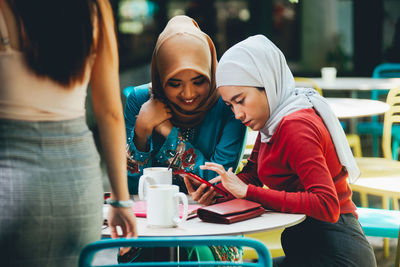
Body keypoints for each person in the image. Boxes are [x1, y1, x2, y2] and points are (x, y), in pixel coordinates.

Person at [199, 35, 377, 267]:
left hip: (337, 253)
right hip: (311, 247)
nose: (237, 114)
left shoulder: (295, 126)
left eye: (240, 100)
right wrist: (216, 188)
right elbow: (252, 175)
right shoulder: (272, 123)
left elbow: (326, 204)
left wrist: (248, 192)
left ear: (268, 83)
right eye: (230, 105)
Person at [0, 1, 137, 266]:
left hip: (10, 181)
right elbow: (110, 113)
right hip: (78, 185)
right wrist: (121, 201)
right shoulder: (95, 8)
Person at [122, 15, 246, 262]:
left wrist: (167, 131)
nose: (188, 94)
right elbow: (132, 187)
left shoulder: (228, 103)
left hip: (213, 230)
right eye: (174, 83)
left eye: (199, 80)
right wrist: (142, 132)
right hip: (151, 230)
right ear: (160, 76)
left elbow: (215, 181)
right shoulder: (139, 100)